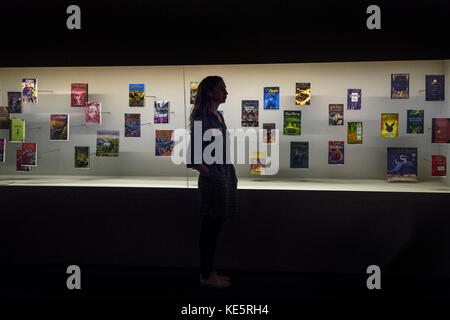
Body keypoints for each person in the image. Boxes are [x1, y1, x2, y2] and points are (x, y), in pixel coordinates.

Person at [187, 76, 238, 289]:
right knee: (209, 229)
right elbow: (193, 159)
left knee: (214, 228)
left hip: (222, 179)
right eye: (222, 88)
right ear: (210, 92)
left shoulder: (217, 116)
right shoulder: (202, 118)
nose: (226, 92)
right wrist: (214, 175)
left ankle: (208, 271)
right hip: (214, 183)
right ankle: (206, 275)